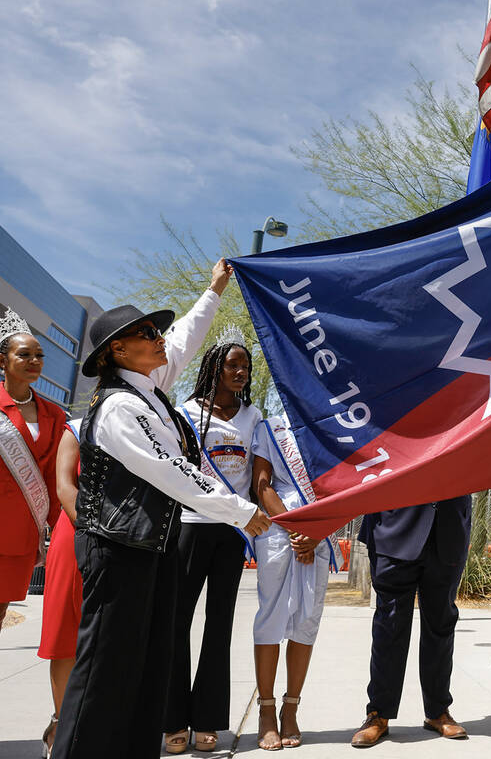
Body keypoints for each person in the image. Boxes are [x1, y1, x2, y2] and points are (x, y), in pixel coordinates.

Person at [52, 260, 272, 759]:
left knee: (145, 668)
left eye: (155, 331)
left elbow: (186, 338)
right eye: (146, 333)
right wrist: (238, 509)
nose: (159, 338)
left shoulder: (148, 392)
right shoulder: (119, 408)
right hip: (118, 550)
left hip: (151, 549)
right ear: (117, 351)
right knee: (103, 670)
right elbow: (170, 470)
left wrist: (215, 290)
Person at [164, 331, 264, 753]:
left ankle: (208, 720)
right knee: (176, 624)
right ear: (213, 368)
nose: (240, 372)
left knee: (219, 624)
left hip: (230, 532)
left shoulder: (253, 415)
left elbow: (258, 478)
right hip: (189, 526)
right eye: (232, 365)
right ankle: (171, 721)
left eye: (245, 366)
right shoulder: (185, 413)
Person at [350, 491, 474, 747]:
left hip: (448, 527)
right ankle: (378, 714)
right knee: (389, 626)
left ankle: (438, 711)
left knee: (441, 625)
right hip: (393, 525)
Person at [250, 412, 335, 751]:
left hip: (321, 529)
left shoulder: (330, 421)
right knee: (271, 618)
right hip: (277, 527)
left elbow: (343, 485)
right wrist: (297, 528)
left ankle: (291, 708)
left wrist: (317, 532)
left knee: (306, 622)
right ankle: (267, 712)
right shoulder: (271, 427)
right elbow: (262, 484)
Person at [0, 309, 66, 626]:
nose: (34, 361)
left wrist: (60, 524)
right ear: (3, 361)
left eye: (39, 355)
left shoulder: (53, 413)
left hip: (21, 532)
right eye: (24, 354)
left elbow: (54, 474)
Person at [37, 419, 82, 758]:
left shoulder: (143, 426)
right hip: (78, 531)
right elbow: (64, 487)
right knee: (66, 635)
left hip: (128, 540)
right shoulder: (77, 428)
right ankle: (61, 725)